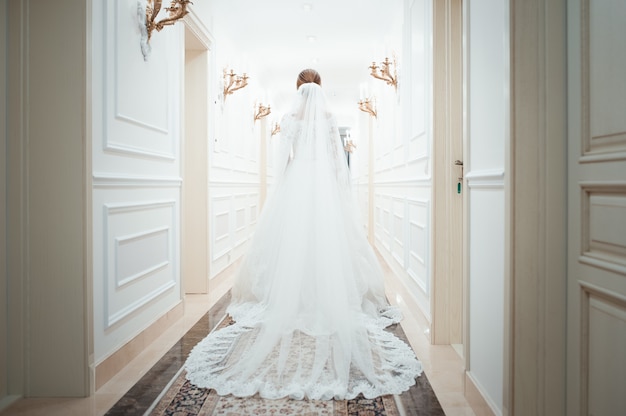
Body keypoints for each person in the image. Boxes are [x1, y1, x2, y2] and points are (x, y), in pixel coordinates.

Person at [184, 69, 422, 400]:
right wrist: (340, 187)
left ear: (298, 89)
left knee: (292, 242)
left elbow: (282, 159)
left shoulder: (289, 116)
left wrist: (281, 187)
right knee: (326, 241)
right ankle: (326, 294)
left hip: (297, 181)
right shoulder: (328, 116)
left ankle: (291, 298)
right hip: (322, 184)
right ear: (320, 87)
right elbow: (338, 161)